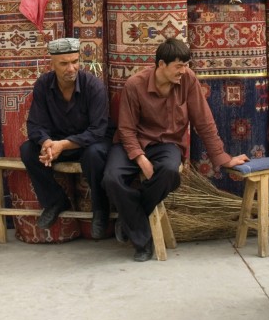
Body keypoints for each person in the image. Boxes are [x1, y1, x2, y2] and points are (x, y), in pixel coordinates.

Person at [104, 37, 249, 262]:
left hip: (166, 144)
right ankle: (142, 240)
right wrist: (140, 159)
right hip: (133, 142)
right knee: (112, 178)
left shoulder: (188, 80)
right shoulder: (135, 84)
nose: (183, 70)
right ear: (161, 65)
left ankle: (132, 218)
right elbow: (126, 129)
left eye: (186, 65)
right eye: (178, 66)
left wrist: (222, 158)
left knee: (171, 172)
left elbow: (204, 121)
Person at [19, 37, 112, 239]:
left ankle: (100, 210)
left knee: (95, 154)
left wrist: (63, 145)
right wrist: (46, 143)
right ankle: (55, 201)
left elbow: (98, 130)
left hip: (89, 143)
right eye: (64, 63)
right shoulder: (43, 85)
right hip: (58, 142)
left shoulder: (93, 86)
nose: (71, 68)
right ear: (51, 64)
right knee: (27, 150)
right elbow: (35, 125)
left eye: (75, 61)